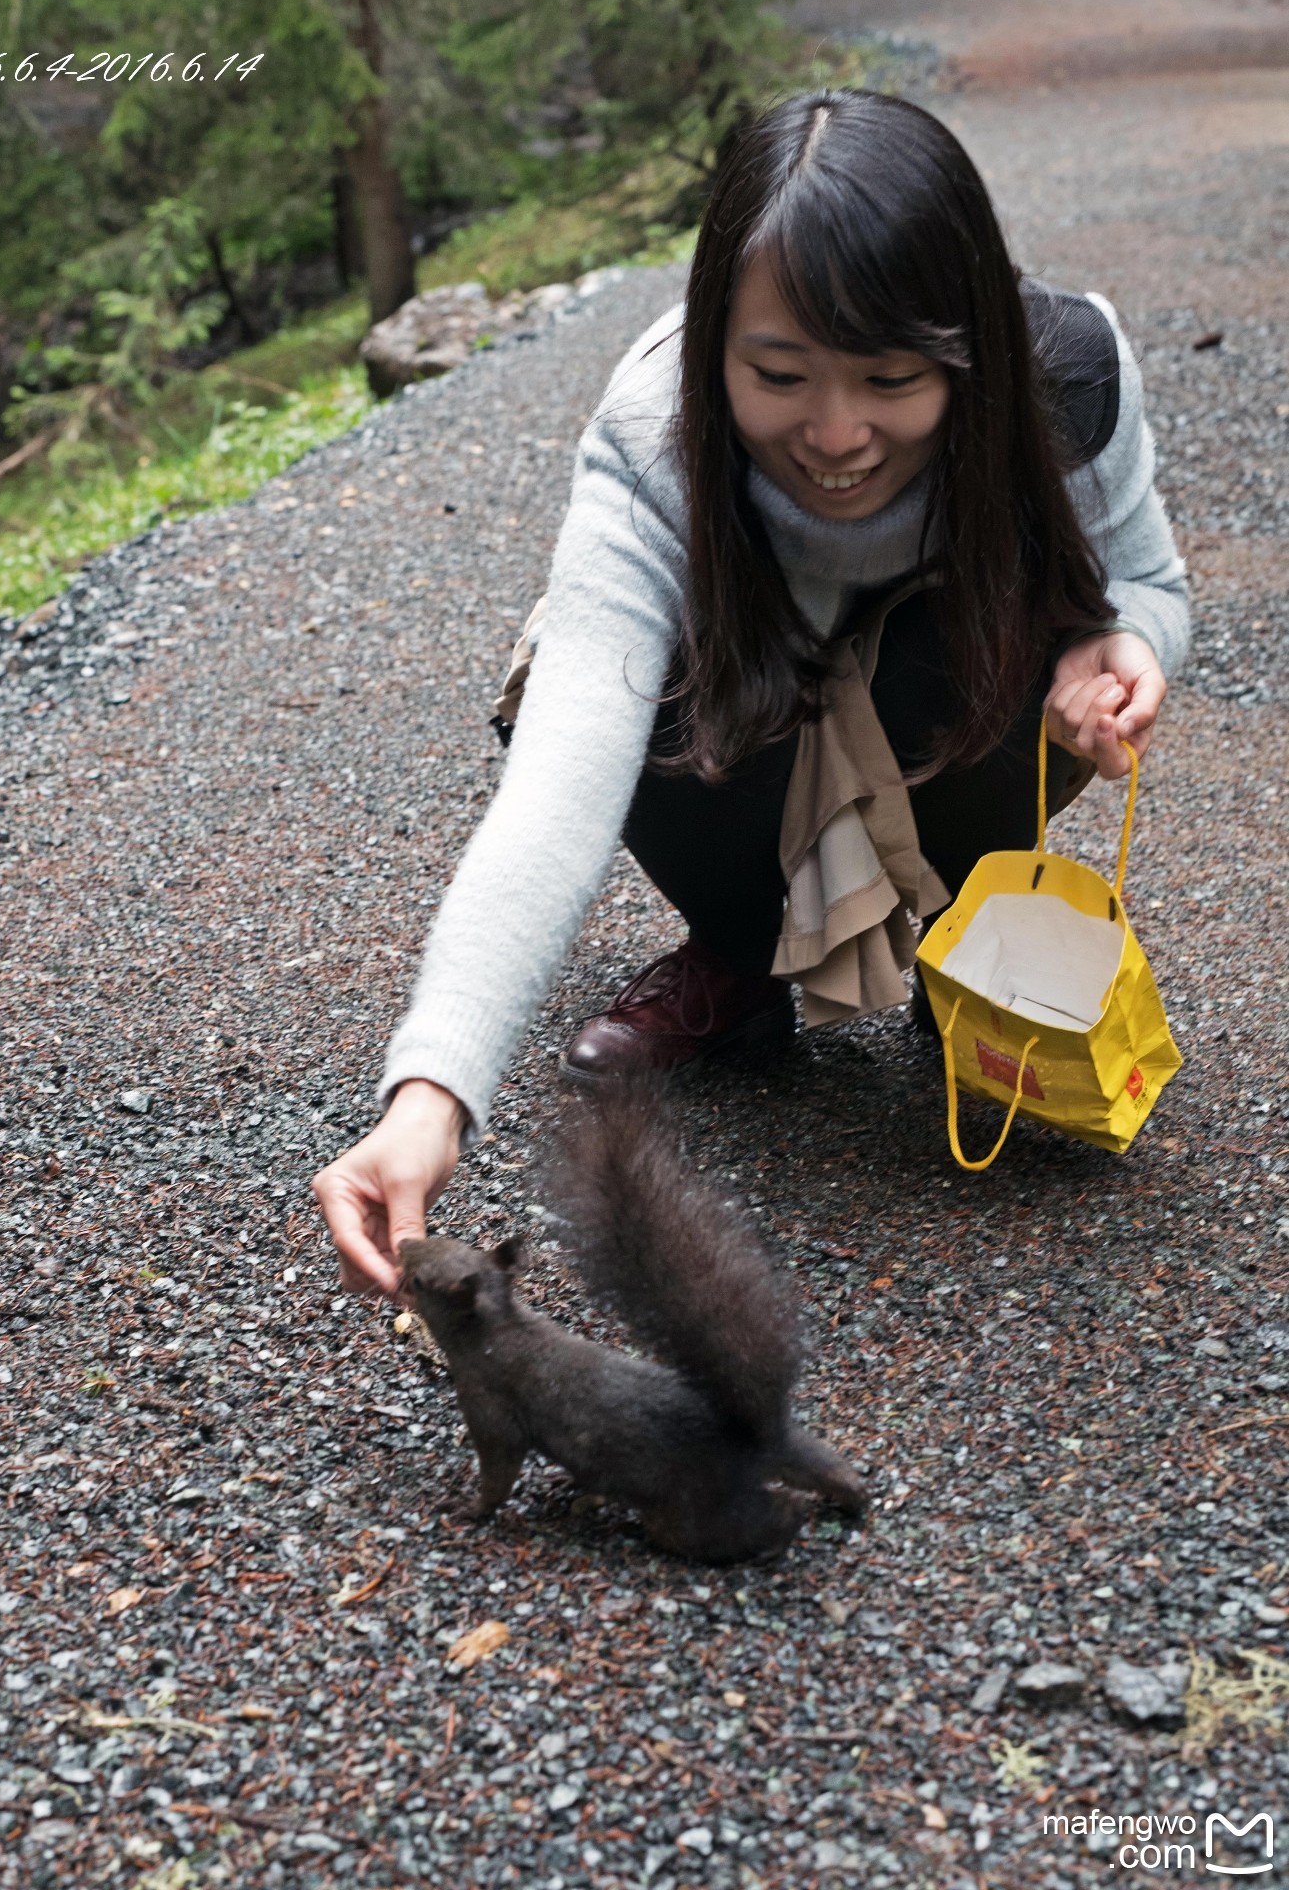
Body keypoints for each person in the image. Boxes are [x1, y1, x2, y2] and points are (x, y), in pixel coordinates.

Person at [312, 87, 1188, 1297]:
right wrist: (431, 1088)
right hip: (746, 710)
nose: (834, 435)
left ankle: (960, 936)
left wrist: (1123, 643)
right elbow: (564, 770)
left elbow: (1144, 580)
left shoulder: (1065, 379)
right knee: (591, 688)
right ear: (713, 334)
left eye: (889, 378)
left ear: (969, 345)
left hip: (952, 706)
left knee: (993, 640)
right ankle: (739, 951)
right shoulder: (652, 430)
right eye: (779, 372)